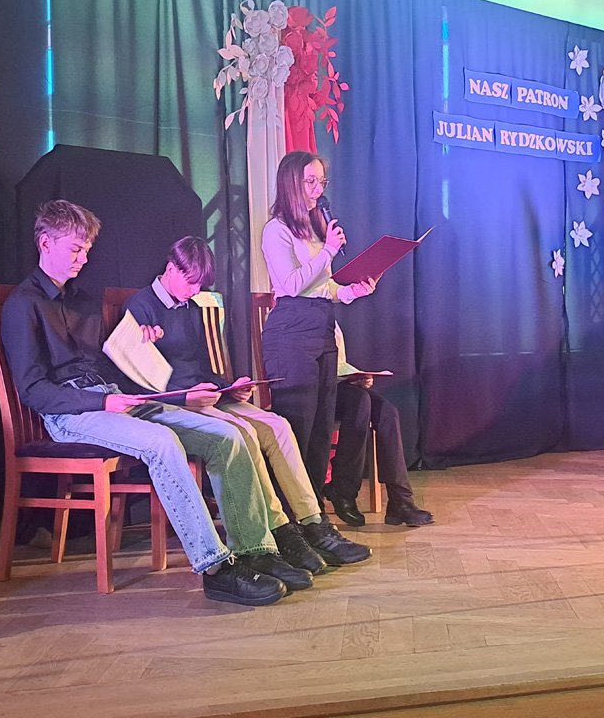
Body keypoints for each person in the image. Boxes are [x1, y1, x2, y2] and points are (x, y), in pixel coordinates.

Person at [1, 199, 300, 605]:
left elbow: (107, 361)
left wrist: (139, 348)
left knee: (226, 436)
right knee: (162, 443)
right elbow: (33, 391)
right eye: (75, 249)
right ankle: (215, 568)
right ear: (45, 243)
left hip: (111, 395)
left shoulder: (80, 299)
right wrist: (101, 404)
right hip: (71, 413)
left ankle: (255, 550)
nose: (83, 259)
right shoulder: (22, 305)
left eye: (87, 250)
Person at [124, 237, 370, 567]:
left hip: (202, 396)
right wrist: (186, 395)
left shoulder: (192, 308)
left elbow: (201, 368)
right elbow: (135, 378)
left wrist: (229, 388)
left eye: (199, 285)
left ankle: (313, 522)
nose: (194, 291)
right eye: (190, 282)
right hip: (173, 402)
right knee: (245, 433)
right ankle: (279, 530)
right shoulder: (140, 307)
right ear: (171, 269)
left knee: (277, 425)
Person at [260, 150, 376, 515]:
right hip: (291, 331)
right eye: (310, 181)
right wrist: (328, 251)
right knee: (299, 426)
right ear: (291, 183)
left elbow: (323, 288)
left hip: (321, 326)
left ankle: (313, 514)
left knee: (322, 427)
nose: (317, 189)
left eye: (321, 181)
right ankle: (289, 516)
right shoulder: (276, 230)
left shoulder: (312, 230)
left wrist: (353, 291)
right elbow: (293, 285)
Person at [325, 324, 434, 527]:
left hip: (338, 387)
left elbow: (338, 364)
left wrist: (355, 377)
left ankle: (400, 500)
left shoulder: (330, 319)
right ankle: (343, 490)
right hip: (315, 392)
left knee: (387, 412)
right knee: (359, 402)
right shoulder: (290, 316)